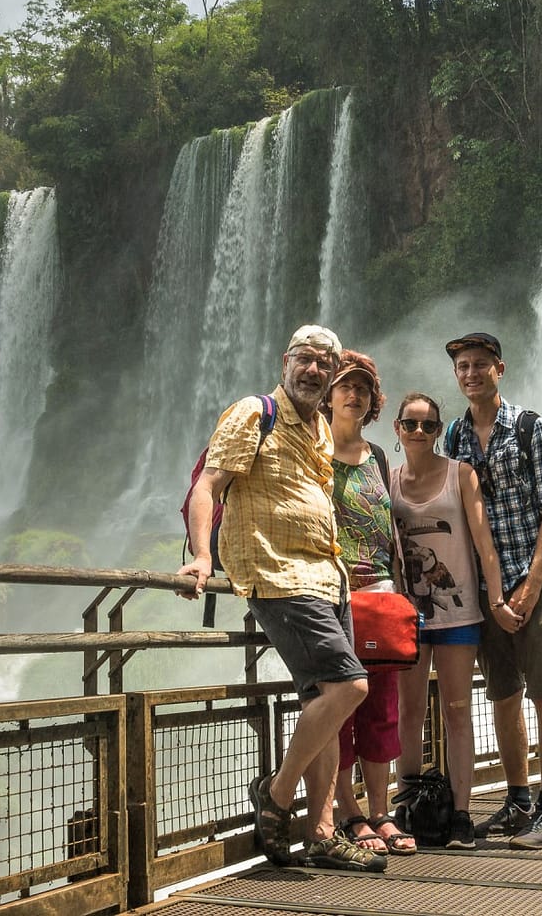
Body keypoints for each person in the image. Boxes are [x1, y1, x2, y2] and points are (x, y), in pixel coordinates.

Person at [178, 325, 386, 873]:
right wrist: (202, 556)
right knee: (350, 686)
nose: (313, 370)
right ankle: (277, 793)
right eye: (305, 359)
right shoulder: (253, 411)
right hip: (276, 572)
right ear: (285, 360)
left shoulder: (319, 426)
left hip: (326, 574)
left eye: (324, 362)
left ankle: (320, 833)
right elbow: (210, 484)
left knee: (330, 701)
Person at [443, 332, 542, 849]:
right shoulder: (453, 435)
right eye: (462, 366)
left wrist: (532, 586)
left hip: (532, 580)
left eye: (479, 365)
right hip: (484, 591)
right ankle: (518, 801)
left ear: (500, 369)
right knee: (502, 693)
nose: (470, 373)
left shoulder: (531, 428)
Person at [389, 392, 503, 850]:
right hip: (406, 615)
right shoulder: (388, 480)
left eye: (429, 425)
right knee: (408, 712)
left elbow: (484, 543)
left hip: (458, 613)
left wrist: (496, 599)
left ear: (440, 431)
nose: (419, 432)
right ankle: (408, 806)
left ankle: (460, 813)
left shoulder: (461, 475)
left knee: (458, 711)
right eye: (410, 424)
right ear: (397, 429)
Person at [315, 351, 416, 857]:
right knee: (341, 710)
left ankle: (382, 811)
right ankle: (349, 811)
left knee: (382, 709)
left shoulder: (378, 456)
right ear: (328, 395)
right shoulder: (313, 451)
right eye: (344, 387)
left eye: (363, 390)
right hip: (331, 599)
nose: (353, 395)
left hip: (380, 597)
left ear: (374, 402)